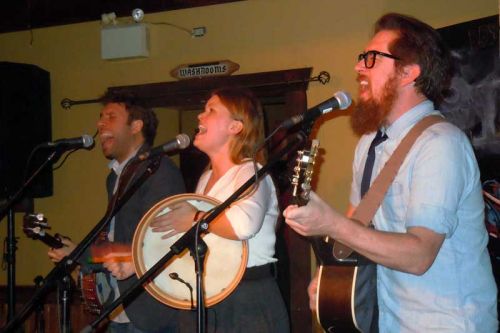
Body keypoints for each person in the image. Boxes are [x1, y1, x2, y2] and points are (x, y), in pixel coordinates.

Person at [284, 13, 498, 332]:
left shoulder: (440, 145)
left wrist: (331, 223)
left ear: (409, 72)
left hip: (447, 322)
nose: (359, 67)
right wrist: (331, 272)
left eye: (371, 59)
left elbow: (419, 255)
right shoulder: (370, 143)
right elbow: (358, 220)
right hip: (390, 319)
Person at [150, 87, 290, 332]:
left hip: (248, 297)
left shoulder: (250, 171)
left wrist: (194, 217)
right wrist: (138, 262)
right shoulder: (206, 178)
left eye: (211, 111)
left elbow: (243, 225)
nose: (199, 116)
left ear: (235, 127)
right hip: (211, 293)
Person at [48, 91, 185, 332]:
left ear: (136, 126)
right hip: (119, 308)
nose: (100, 124)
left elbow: (162, 243)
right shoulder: (114, 177)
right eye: (101, 117)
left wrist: (82, 255)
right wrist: (78, 252)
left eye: (111, 117)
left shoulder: (159, 171)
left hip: (150, 311)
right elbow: (118, 245)